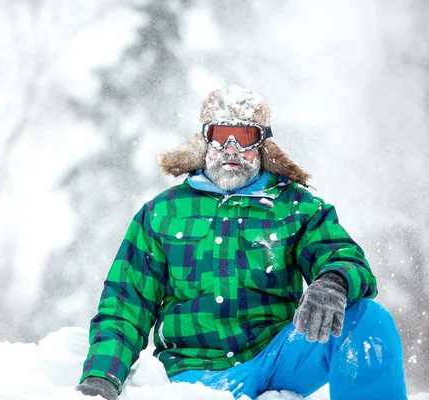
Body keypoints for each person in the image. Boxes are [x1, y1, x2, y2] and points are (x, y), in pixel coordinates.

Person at [76, 85, 407, 400]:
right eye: (221, 137)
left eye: (245, 137)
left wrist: (334, 281)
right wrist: (102, 376)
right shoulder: (162, 212)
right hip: (193, 375)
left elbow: (343, 255)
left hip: (277, 358)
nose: (232, 149)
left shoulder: (296, 206)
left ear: (262, 144)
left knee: (368, 319)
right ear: (205, 141)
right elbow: (125, 303)